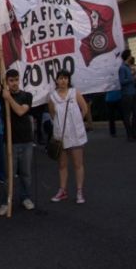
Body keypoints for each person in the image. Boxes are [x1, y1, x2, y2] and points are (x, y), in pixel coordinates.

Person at [0, 61, 35, 215]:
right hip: (9, 142)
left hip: (26, 140)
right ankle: (6, 201)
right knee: (9, 175)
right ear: (7, 82)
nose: (14, 83)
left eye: (16, 80)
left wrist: (9, 98)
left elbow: (21, 112)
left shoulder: (27, 95)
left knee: (26, 173)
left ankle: (26, 197)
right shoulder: (3, 95)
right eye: (11, 80)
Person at [47, 70, 89, 204]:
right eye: (60, 78)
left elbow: (85, 109)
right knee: (62, 164)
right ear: (57, 80)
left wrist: (78, 122)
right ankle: (62, 190)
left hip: (75, 134)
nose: (63, 81)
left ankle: (79, 191)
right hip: (61, 135)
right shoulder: (52, 97)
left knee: (78, 163)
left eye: (66, 78)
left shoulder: (74, 93)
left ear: (69, 80)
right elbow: (52, 114)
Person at [119, 50, 136, 141]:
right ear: (128, 56)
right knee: (127, 114)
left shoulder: (128, 67)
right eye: (130, 55)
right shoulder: (122, 68)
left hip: (133, 92)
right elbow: (122, 81)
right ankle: (130, 135)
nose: (131, 56)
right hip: (127, 94)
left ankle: (134, 133)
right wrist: (132, 78)